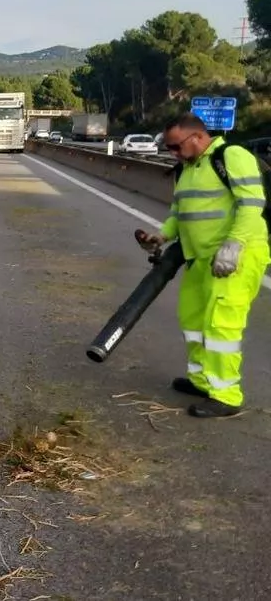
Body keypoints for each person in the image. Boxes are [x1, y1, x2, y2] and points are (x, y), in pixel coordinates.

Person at [137, 113, 269, 418]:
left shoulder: (231, 156)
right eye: (169, 148)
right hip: (198, 258)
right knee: (193, 321)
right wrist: (161, 236)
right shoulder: (186, 169)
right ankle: (202, 381)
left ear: (196, 137)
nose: (173, 153)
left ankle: (226, 395)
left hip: (237, 257)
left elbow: (252, 205)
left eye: (176, 146)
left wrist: (234, 244)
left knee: (221, 326)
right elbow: (178, 214)